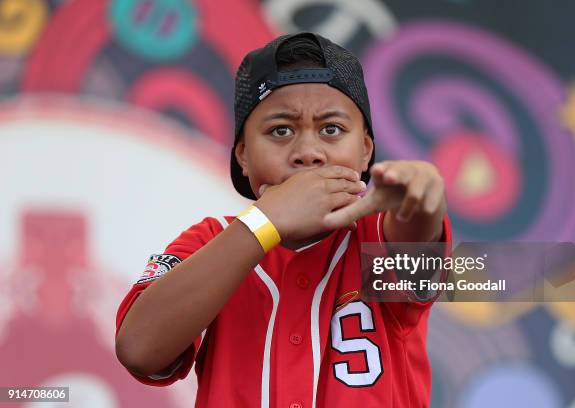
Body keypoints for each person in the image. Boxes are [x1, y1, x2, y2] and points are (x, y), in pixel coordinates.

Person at [115, 32, 451, 407]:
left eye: (331, 129)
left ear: (365, 151)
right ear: (243, 155)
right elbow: (139, 349)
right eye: (281, 130)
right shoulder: (212, 239)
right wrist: (267, 221)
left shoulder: (378, 236)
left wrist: (424, 200)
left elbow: (416, 232)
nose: (308, 152)